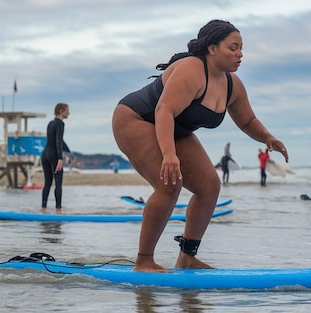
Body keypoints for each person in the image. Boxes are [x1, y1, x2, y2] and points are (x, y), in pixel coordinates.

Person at [112, 19, 289, 272]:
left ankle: (187, 257)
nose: (239, 54)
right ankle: (144, 261)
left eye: (241, 48)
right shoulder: (191, 70)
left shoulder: (232, 85)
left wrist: (267, 138)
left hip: (176, 129)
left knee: (209, 186)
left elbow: (247, 120)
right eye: (233, 47)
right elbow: (164, 110)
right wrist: (169, 155)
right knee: (169, 183)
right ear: (212, 48)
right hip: (136, 118)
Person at [41, 103, 71, 214]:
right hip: (54, 155)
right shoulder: (60, 124)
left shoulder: (51, 123)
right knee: (58, 183)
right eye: (67, 110)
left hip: (45, 155)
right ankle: (58, 210)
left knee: (47, 183)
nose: (69, 113)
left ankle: (43, 208)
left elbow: (59, 140)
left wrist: (68, 151)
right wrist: (60, 158)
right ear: (61, 111)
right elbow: (58, 140)